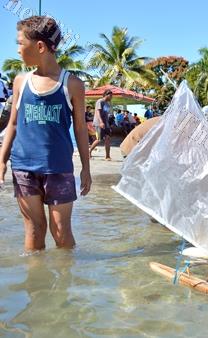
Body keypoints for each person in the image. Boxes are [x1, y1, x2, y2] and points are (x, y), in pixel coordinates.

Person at [0, 16, 91, 251]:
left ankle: (65, 283)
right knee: (34, 229)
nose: (18, 50)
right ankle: (35, 285)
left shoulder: (72, 84)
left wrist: (86, 169)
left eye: (21, 43)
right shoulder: (21, 81)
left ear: (40, 46)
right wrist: (1, 159)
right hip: (23, 168)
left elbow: (81, 129)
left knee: (61, 232)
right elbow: (12, 125)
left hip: (59, 168)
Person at [90, 89, 113, 160]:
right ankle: (89, 152)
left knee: (108, 138)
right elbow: (97, 112)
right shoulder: (100, 101)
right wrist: (101, 122)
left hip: (105, 124)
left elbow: (106, 115)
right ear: (106, 95)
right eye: (111, 95)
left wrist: (109, 124)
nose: (112, 97)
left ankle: (107, 156)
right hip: (99, 123)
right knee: (99, 139)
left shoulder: (108, 104)